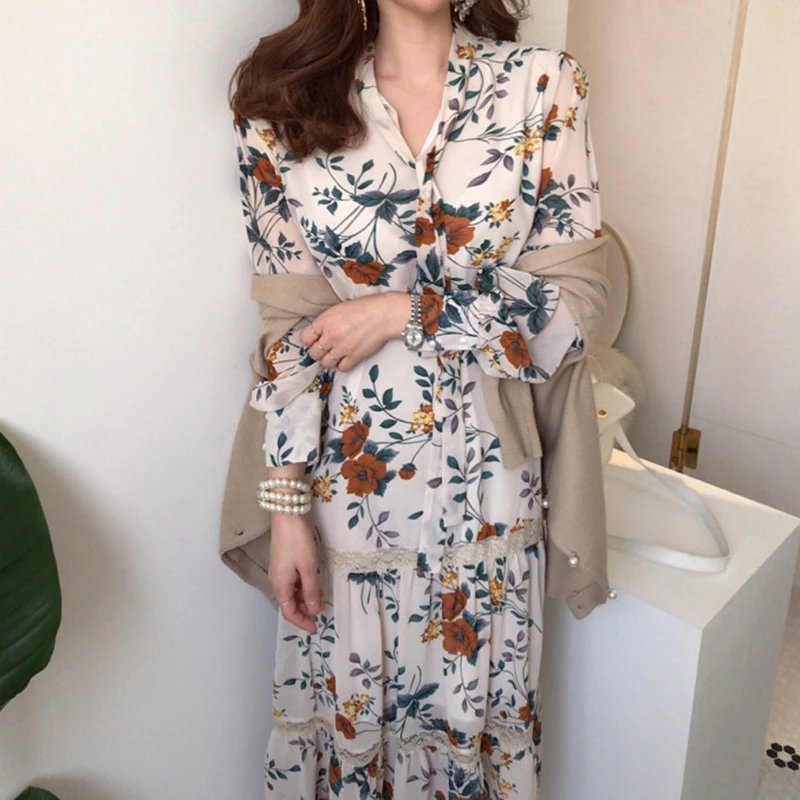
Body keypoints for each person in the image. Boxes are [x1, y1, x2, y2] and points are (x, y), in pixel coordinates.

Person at [228, 0, 601, 793]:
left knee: (474, 733)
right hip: (348, 504)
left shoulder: (544, 85)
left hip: (491, 499)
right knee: (352, 733)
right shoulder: (284, 105)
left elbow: (576, 312)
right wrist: (285, 509)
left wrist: (406, 312)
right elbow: (288, 334)